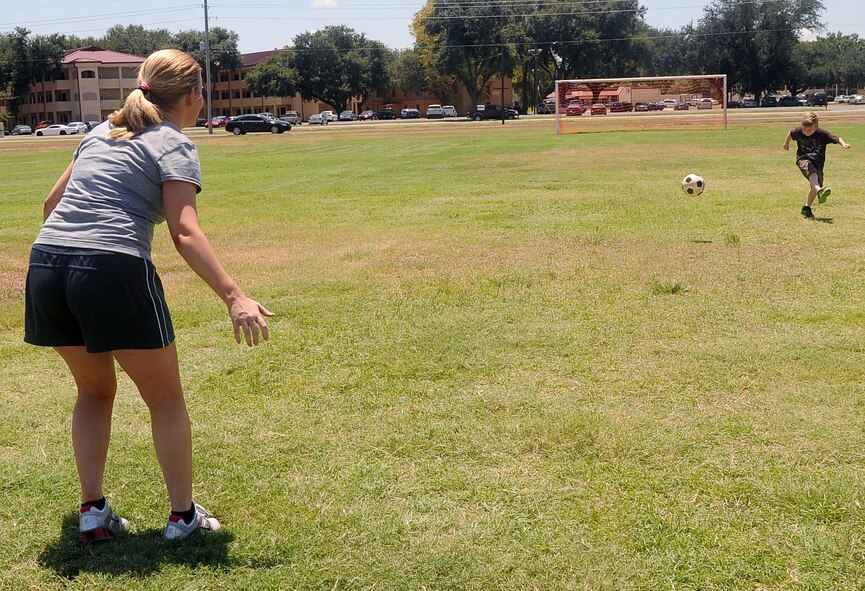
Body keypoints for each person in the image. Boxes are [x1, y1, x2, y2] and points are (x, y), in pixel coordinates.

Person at [24, 49, 273, 542]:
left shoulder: (99, 133)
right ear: (192, 95)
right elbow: (184, 231)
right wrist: (234, 296)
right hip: (112, 268)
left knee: (93, 392)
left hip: (47, 264)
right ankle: (184, 518)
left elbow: (52, 204)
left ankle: (92, 513)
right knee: (165, 399)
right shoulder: (172, 142)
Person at [783, 111, 850, 219]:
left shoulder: (822, 134)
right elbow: (791, 133)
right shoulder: (798, 131)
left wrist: (844, 144)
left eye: (809, 130)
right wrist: (786, 144)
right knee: (813, 175)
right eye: (804, 129)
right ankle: (820, 191)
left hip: (817, 162)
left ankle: (806, 208)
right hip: (803, 159)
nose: (806, 132)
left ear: (816, 127)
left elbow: (837, 138)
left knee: (815, 183)